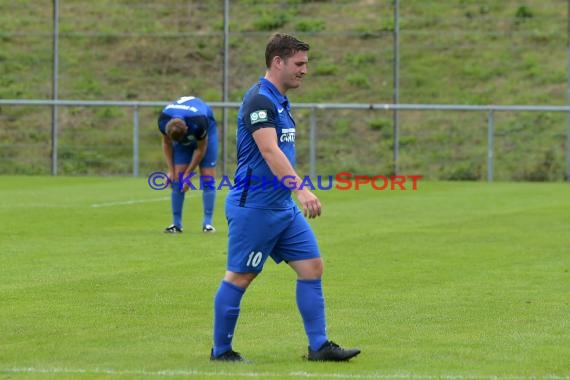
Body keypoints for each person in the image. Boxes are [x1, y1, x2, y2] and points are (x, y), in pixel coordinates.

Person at [210, 33, 361, 362]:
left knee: (312, 267)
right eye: (299, 63)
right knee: (240, 275)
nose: (305, 70)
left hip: (281, 207)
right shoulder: (259, 100)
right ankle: (221, 352)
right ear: (277, 62)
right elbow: (268, 150)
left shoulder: (279, 100)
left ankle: (319, 346)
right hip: (256, 208)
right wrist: (301, 188)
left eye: (306, 63)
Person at [157, 96, 218, 233]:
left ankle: (207, 224)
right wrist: (171, 170)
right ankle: (176, 225)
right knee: (177, 179)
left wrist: (189, 174)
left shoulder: (199, 122)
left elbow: (200, 148)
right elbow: (166, 144)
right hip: (181, 134)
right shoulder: (163, 120)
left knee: (208, 178)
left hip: (207, 134)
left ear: (186, 129)